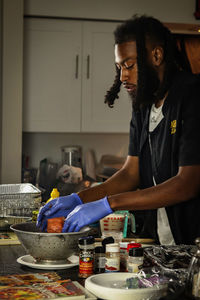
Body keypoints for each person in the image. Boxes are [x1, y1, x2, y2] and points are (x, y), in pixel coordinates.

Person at [37, 15, 200, 245]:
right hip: (164, 243)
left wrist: (109, 204)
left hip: (194, 242)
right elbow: (130, 173)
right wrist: (78, 198)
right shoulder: (143, 105)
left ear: (157, 55)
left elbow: (187, 183)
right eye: (119, 67)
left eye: (129, 65)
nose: (123, 76)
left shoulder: (191, 95)